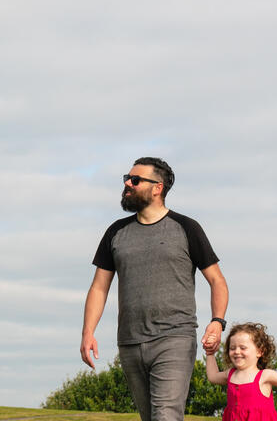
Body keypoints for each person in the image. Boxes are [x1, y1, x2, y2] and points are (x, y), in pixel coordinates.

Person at [81, 157, 231, 421]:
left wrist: (217, 321)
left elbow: (217, 280)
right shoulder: (115, 232)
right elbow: (98, 288)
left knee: (166, 415)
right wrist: (88, 332)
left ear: (157, 187)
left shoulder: (186, 228)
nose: (128, 183)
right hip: (129, 341)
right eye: (126, 178)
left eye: (135, 180)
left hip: (174, 337)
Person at [203, 322, 277, 421]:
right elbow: (213, 376)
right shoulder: (230, 374)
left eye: (243, 348)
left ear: (259, 352)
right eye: (232, 348)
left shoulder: (265, 376)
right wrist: (210, 353)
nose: (237, 351)